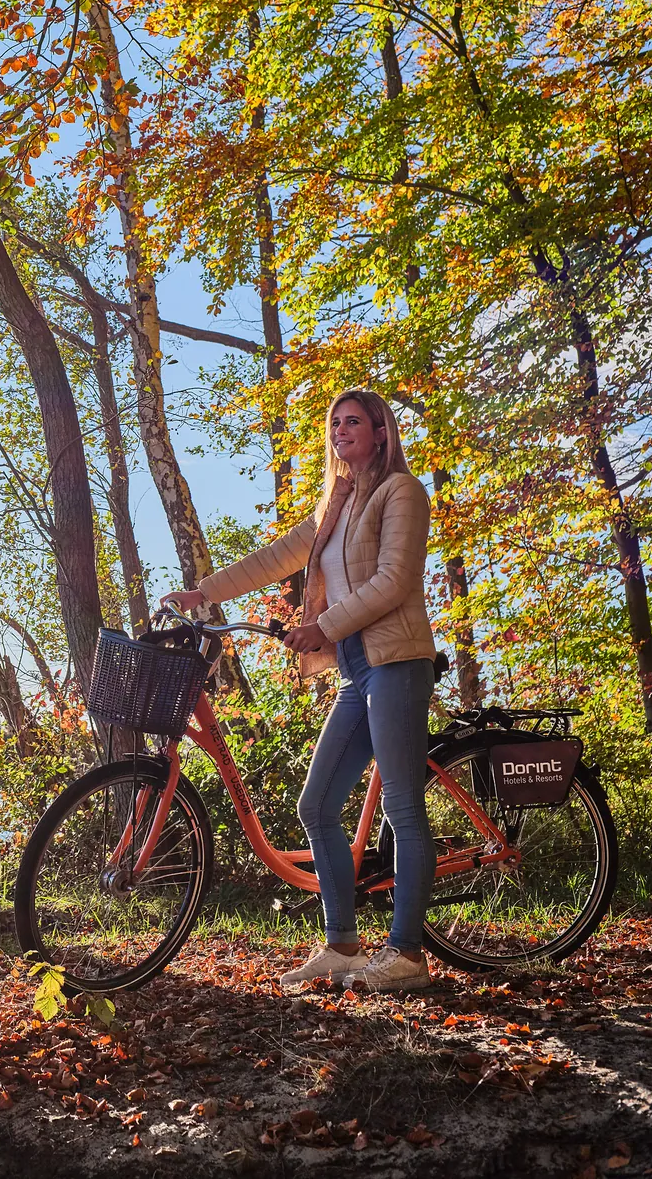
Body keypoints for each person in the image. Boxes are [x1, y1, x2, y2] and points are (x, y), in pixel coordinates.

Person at [166, 389, 437, 992]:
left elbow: (395, 581)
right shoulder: (332, 506)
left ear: (381, 432)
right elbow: (273, 558)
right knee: (316, 805)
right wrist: (202, 593)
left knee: (401, 807)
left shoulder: (403, 492)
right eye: (334, 423)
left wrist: (324, 625)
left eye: (354, 422)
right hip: (355, 667)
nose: (341, 431)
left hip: (397, 659)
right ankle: (342, 946)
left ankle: (408, 955)